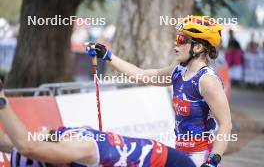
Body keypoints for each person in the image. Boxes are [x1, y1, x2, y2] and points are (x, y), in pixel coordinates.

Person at [86, 15, 232, 167]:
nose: (176, 46)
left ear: (198, 47)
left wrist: (212, 162)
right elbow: (140, 75)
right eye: (176, 39)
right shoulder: (178, 71)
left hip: (202, 156)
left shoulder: (207, 80)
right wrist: (107, 55)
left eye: (182, 41)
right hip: (180, 152)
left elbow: (226, 125)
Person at [0, 81, 195, 167]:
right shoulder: (54, 141)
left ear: (54, 161)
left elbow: (26, 146)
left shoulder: (80, 148)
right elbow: (9, 142)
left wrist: (2, 100)